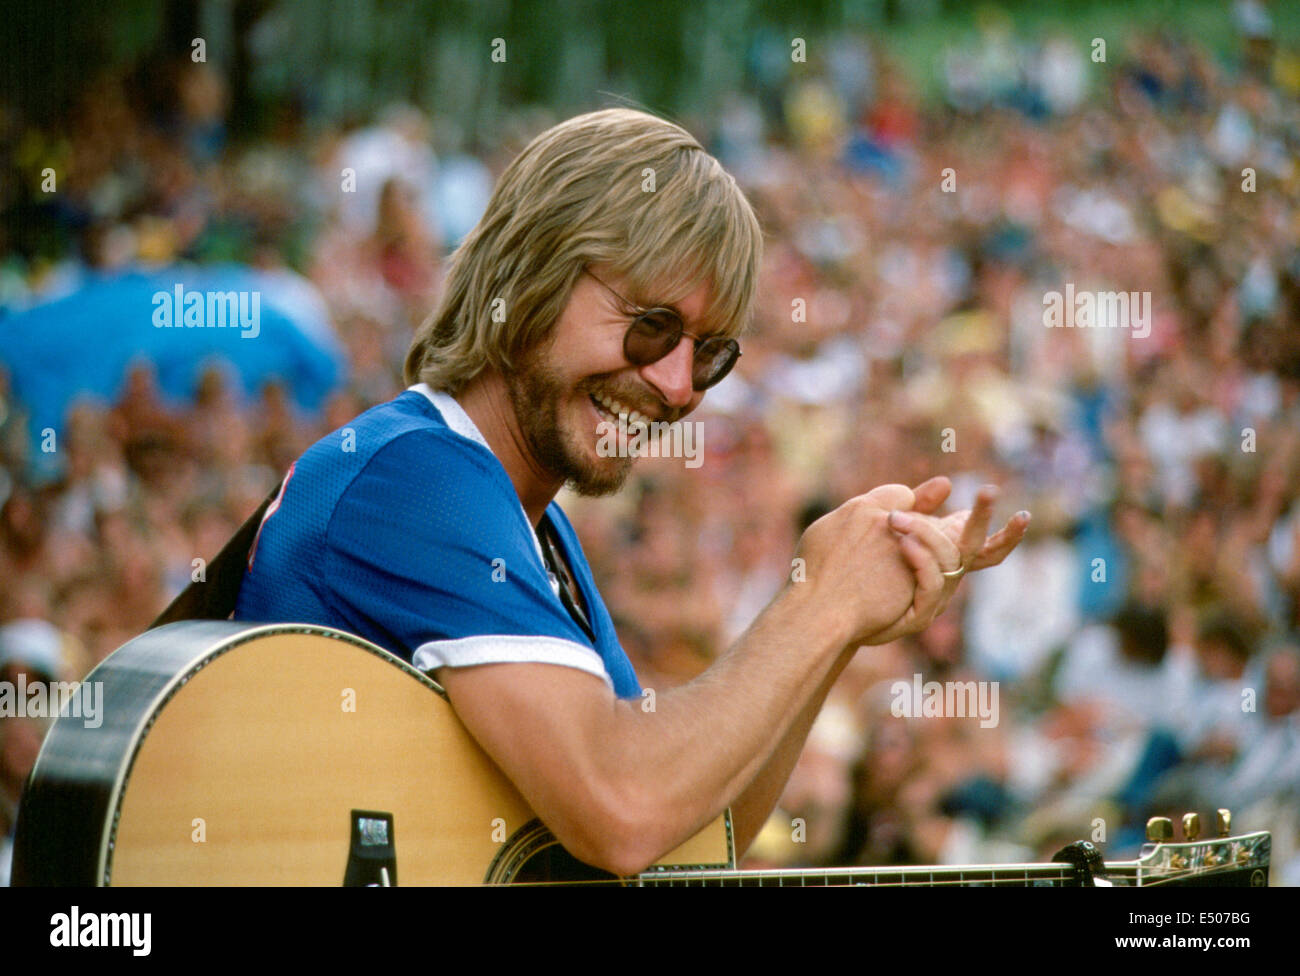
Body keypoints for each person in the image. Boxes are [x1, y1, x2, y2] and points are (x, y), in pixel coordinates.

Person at [234, 108, 1029, 877]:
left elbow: (695, 833)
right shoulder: (418, 474)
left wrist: (840, 624)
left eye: (710, 354)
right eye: (651, 326)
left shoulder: (531, 522)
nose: (679, 387)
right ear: (532, 274)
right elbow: (624, 811)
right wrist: (816, 602)